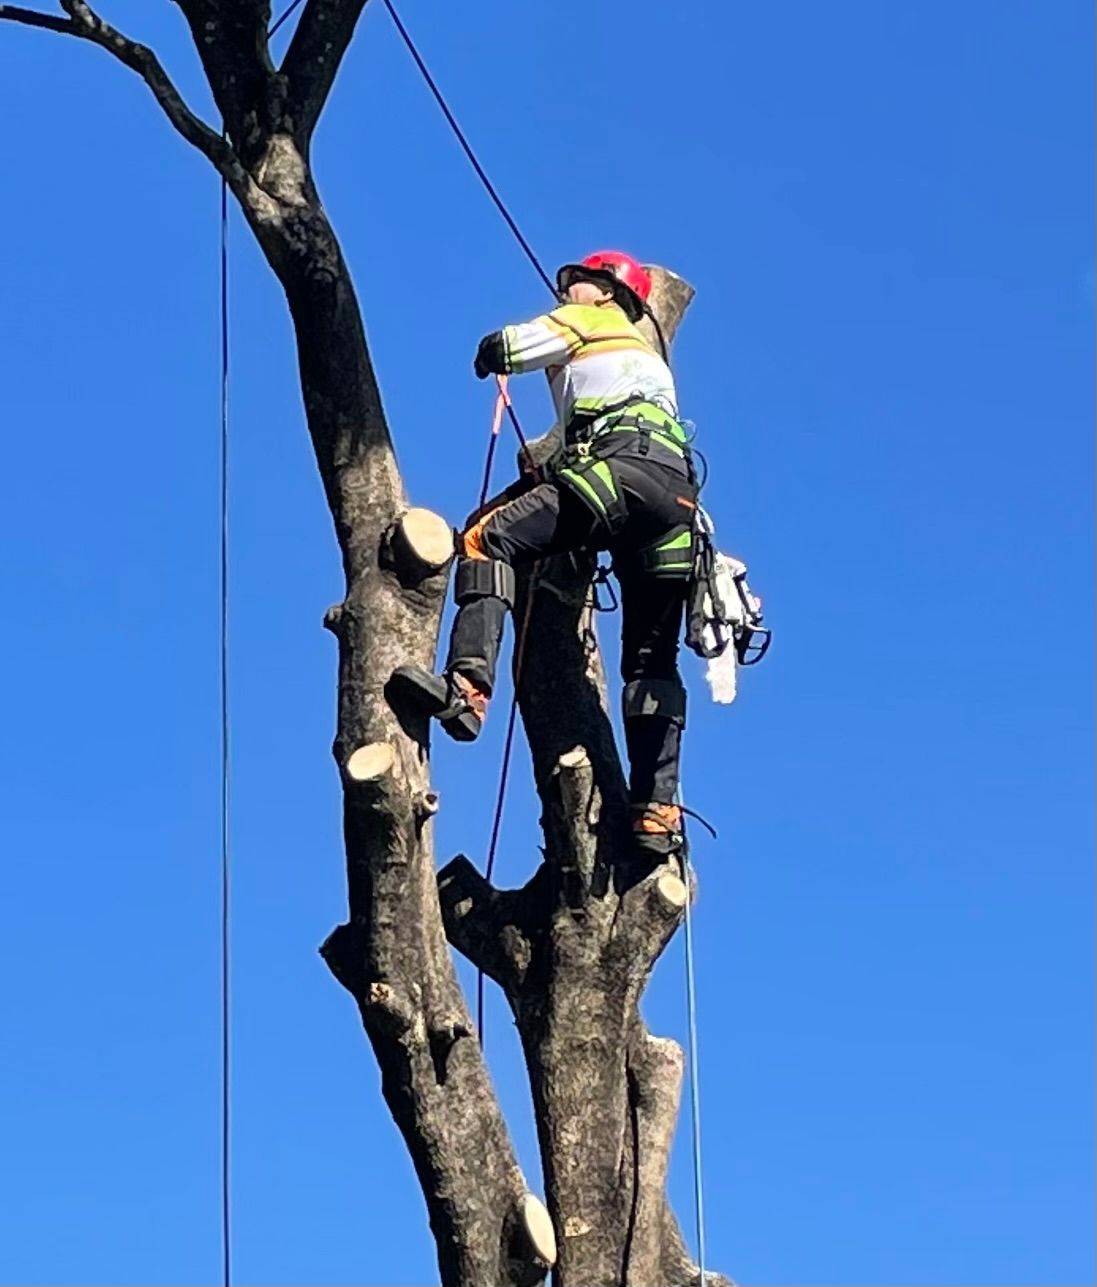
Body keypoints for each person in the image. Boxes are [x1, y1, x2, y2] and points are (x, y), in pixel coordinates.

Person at [391, 251, 698, 857]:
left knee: (487, 537)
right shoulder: (646, 366)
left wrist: (489, 350)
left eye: (576, 284)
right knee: (649, 661)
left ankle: (468, 688)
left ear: (610, 294)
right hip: (676, 500)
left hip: (619, 472)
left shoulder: (592, 323)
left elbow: (508, 348)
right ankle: (657, 808)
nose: (567, 293)